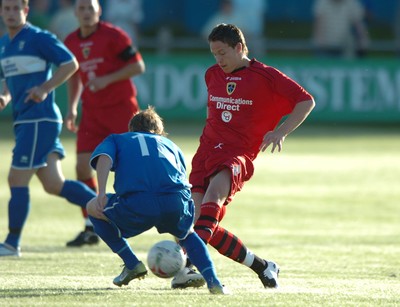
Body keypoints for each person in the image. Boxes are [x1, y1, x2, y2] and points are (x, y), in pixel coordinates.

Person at [171, 23, 315, 289]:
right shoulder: (212, 74)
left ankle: (189, 265)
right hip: (206, 151)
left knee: (213, 199)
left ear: (239, 48)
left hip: (237, 154)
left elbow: (306, 101)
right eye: (214, 53)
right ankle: (263, 267)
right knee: (201, 222)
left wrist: (281, 131)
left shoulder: (266, 76)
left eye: (223, 52)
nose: (218, 59)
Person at [86, 106, 228, 295]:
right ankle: (214, 281)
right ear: (159, 131)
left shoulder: (117, 139)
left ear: (131, 129)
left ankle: (131, 264)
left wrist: (101, 192)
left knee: (92, 208)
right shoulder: (171, 145)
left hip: (138, 202)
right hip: (175, 201)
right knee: (187, 234)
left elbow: (104, 157)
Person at [0, 0, 97, 257]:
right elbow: (7, 82)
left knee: (15, 178)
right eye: (6, 8)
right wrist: (4, 97)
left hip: (38, 119)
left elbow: (70, 64)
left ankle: (11, 243)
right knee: (54, 184)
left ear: (26, 11)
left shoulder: (38, 37)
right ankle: (108, 211)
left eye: (15, 8)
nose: (11, 13)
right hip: (25, 120)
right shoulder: (3, 44)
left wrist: (45, 88)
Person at [63, 0, 145, 247]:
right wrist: (72, 107)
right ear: (75, 13)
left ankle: (128, 218)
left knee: (128, 170)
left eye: (91, 8)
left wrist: (106, 79)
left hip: (121, 110)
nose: (86, 12)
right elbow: (74, 76)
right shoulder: (70, 42)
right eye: (82, 8)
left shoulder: (114, 35)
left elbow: (138, 66)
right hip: (92, 113)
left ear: (99, 11)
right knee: (81, 167)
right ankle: (91, 225)